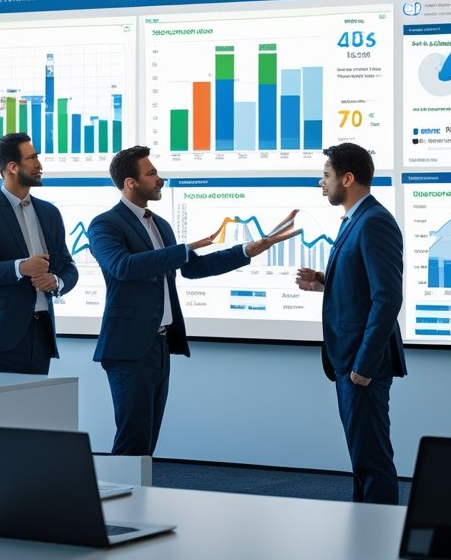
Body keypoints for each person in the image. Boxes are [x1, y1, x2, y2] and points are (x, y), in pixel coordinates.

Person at [89, 145, 299, 456]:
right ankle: (114, 503)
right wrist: (183, 249)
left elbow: (193, 268)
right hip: (128, 349)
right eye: (151, 174)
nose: (159, 179)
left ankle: (139, 502)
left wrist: (248, 250)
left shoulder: (160, 225)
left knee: (147, 442)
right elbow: (122, 267)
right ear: (130, 183)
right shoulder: (105, 225)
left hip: (159, 346)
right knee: (132, 440)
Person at [296, 142, 406, 504]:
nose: (321, 183)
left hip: (363, 365)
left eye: (326, 175)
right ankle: (366, 536)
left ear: (347, 178)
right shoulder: (356, 219)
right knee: (362, 459)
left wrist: (364, 365)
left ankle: (382, 542)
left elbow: (387, 298)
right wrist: (325, 280)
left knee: (372, 460)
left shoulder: (374, 222)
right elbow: (362, 285)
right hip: (349, 360)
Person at [0, 133, 79, 374]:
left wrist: (56, 281)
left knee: (37, 411)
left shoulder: (49, 213)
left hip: (42, 332)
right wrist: (20, 267)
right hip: (1, 336)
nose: (39, 165)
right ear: (13, 167)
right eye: (33, 158)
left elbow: (68, 266)